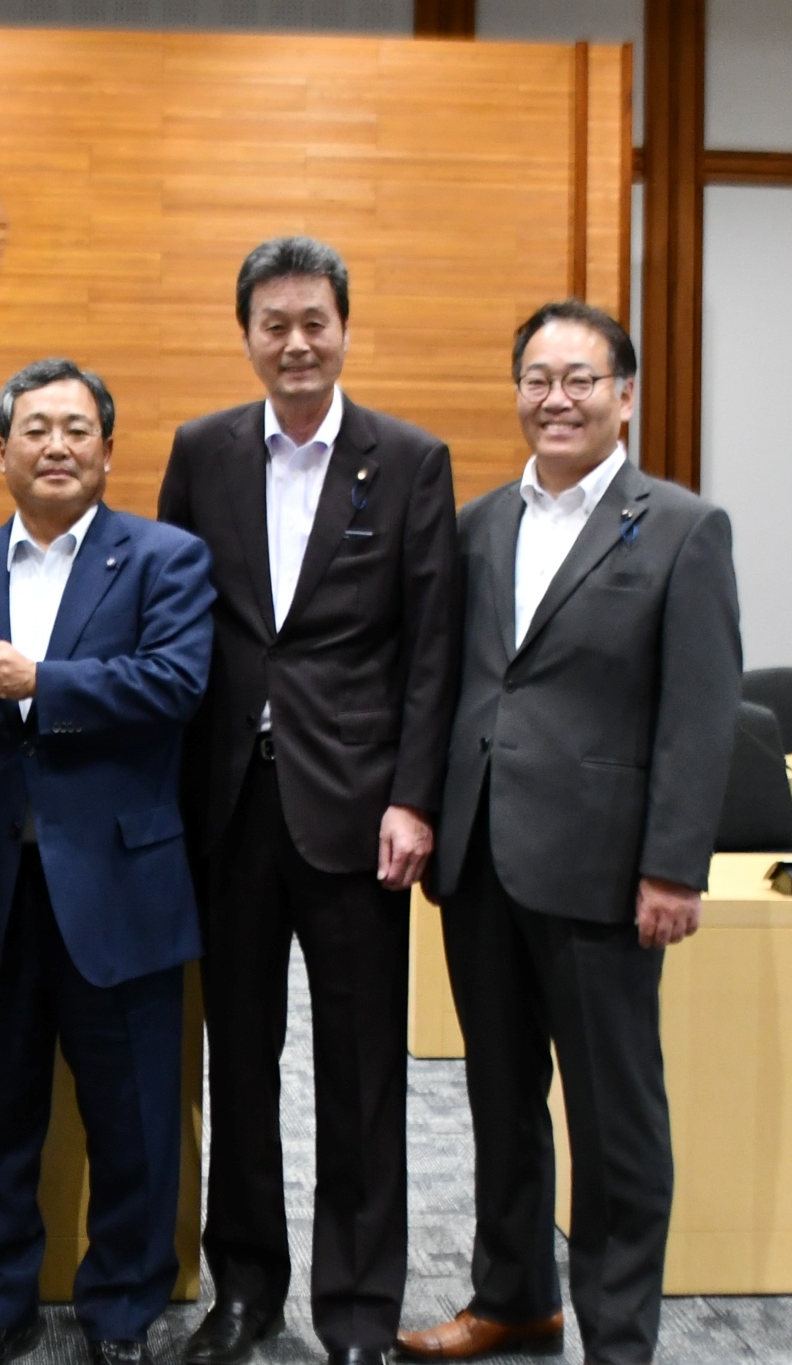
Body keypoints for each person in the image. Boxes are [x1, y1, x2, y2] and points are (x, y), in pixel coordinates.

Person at [396, 302, 741, 1365]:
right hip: (481, 858)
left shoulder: (679, 525)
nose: (555, 397)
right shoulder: (479, 522)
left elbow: (698, 711)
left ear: (623, 395)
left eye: (579, 378)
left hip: (600, 873)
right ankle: (511, 1298)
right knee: (497, 1100)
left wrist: (670, 867)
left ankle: (619, 1337)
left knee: (612, 1121)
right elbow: (449, 682)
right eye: (537, 377)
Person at [157, 236, 459, 1365]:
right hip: (226, 806)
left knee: (361, 1070)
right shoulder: (200, 452)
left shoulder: (408, 458)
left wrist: (413, 798)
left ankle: (358, 1311)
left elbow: (432, 648)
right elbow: (171, 622)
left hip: (356, 810)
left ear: (342, 328)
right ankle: (243, 1292)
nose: (293, 342)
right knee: (235, 1062)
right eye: (272, 323)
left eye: (312, 322)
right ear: (244, 333)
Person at [0, 359, 215, 1365]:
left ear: (107, 451)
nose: (54, 446)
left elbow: (174, 683)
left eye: (75, 429)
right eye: (32, 429)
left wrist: (44, 680)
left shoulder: (165, 557)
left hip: (121, 885)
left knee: (131, 1118)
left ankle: (121, 1310)